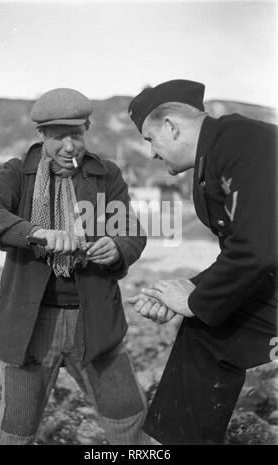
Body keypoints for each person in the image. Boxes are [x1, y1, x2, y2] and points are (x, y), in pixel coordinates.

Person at [0, 87, 150, 445]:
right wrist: (34, 232)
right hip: (28, 323)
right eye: (57, 138)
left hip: (94, 322)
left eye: (76, 134)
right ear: (41, 136)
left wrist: (116, 247)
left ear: (87, 128)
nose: (69, 147)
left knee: (129, 419)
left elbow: (132, 231)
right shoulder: (16, 173)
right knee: (15, 431)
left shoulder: (106, 175)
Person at [128, 79, 277, 445]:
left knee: (209, 324)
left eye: (150, 139)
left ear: (171, 127)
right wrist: (183, 291)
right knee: (207, 335)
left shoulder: (246, 141)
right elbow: (242, 251)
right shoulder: (217, 151)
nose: (151, 153)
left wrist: (194, 300)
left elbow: (259, 247)